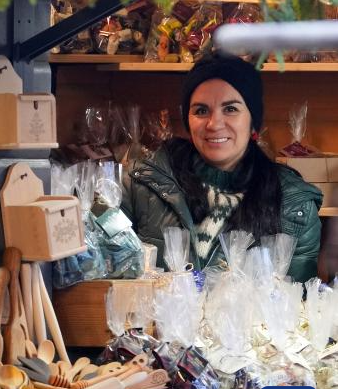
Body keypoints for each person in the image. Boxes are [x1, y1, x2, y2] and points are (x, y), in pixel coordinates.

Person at [122, 53, 322, 281]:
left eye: (230, 109)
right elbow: (109, 271)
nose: (214, 124)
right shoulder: (140, 183)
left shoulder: (295, 206)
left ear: (253, 120)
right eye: (201, 110)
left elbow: (298, 305)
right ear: (188, 120)